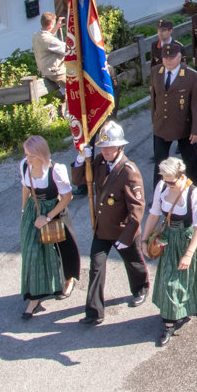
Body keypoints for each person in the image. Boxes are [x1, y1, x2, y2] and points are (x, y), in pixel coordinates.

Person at [72, 121, 149, 325]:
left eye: (110, 148)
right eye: (103, 147)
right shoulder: (99, 162)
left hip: (123, 229)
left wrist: (127, 236)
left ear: (120, 147)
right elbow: (79, 181)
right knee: (96, 267)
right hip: (103, 228)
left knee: (133, 263)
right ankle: (94, 312)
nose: (105, 152)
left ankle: (140, 289)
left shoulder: (129, 171)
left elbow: (137, 208)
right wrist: (81, 159)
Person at [142, 157, 197, 346]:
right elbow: (154, 214)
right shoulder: (162, 186)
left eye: (171, 182)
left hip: (189, 239)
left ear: (181, 176)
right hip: (169, 239)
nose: (168, 185)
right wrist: (144, 240)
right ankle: (169, 323)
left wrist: (189, 254)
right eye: (165, 181)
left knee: (193, 278)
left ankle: (195, 305)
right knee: (170, 282)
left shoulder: (194, 193)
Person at [19, 135, 80, 319]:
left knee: (61, 249)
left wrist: (47, 217)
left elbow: (68, 197)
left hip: (54, 211)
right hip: (34, 210)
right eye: (26, 154)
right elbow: (26, 188)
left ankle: (68, 280)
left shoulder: (55, 170)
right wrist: (24, 210)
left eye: (31, 155)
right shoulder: (25, 166)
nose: (28, 159)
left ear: (41, 155)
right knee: (31, 250)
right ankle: (34, 297)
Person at [150, 42, 197, 187]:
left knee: (191, 161)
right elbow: (154, 98)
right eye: (165, 57)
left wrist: (196, 130)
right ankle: (159, 192)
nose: (168, 60)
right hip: (162, 125)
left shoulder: (192, 76)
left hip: (184, 126)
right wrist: (154, 120)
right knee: (159, 163)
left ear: (180, 57)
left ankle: (192, 189)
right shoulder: (156, 71)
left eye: (172, 57)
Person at [31, 12, 67, 93]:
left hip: (45, 71)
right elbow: (67, 49)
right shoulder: (50, 41)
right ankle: (63, 95)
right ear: (51, 24)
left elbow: (47, 37)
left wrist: (56, 27)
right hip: (56, 73)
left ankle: (62, 94)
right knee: (75, 86)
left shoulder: (36, 35)